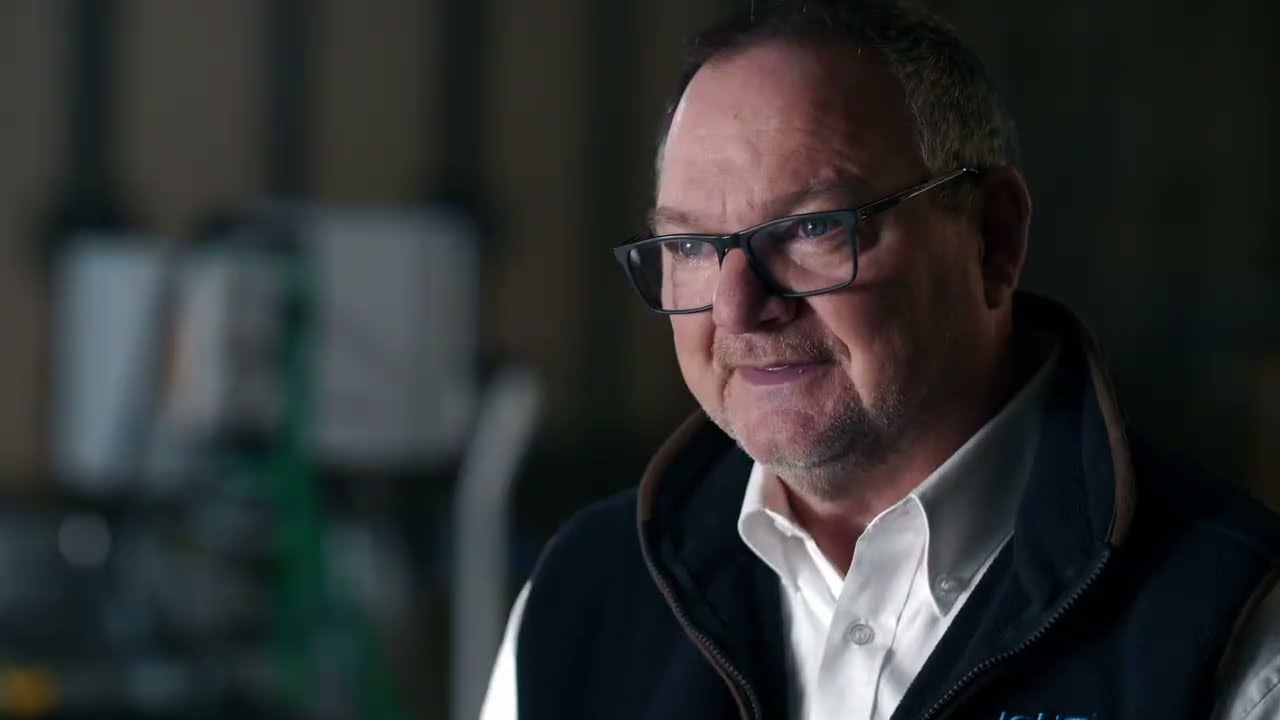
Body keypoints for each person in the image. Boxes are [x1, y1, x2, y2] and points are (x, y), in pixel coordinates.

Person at [481, 2, 1280, 718]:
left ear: (994, 237)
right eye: (689, 245)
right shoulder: (583, 599)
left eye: (811, 229)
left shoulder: (1229, 627)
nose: (735, 308)